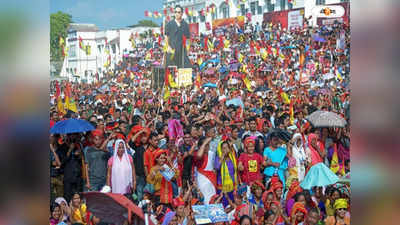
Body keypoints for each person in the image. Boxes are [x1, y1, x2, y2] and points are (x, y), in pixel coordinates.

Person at [214, 140, 239, 207]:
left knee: (232, 207)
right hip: (222, 188)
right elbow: (217, 167)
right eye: (224, 148)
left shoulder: (232, 158)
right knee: (223, 207)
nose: (226, 149)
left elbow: (235, 172)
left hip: (232, 187)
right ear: (220, 149)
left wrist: (236, 187)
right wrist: (222, 156)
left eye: (227, 147)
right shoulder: (218, 158)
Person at [194, 136, 217, 204]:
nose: (207, 147)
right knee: (204, 201)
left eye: (208, 145)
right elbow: (199, 156)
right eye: (205, 145)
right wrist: (204, 144)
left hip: (212, 182)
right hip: (202, 182)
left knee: (213, 201)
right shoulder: (197, 154)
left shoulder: (211, 154)